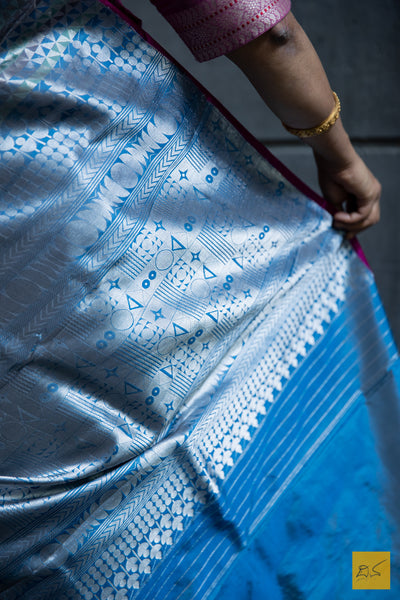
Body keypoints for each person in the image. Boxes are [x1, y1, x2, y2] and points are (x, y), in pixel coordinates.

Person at [0, 1, 398, 598]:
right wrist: (336, 152)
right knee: (327, 498)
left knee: (86, 537)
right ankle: (369, 582)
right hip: (133, 191)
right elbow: (263, 28)